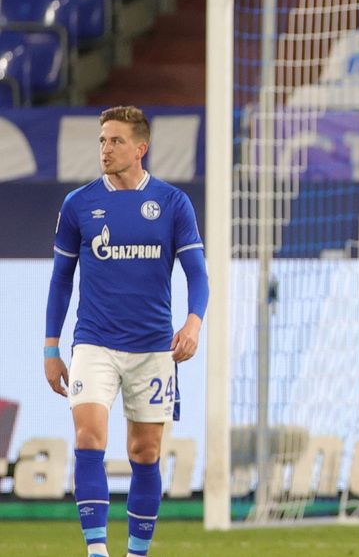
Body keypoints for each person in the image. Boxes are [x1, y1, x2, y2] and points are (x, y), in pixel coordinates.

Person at [44, 106, 209, 557]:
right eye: (101, 141)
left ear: (141, 147)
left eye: (115, 141)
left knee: (144, 452)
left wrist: (194, 322)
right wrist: (50, 346)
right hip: (93, 343)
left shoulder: (173, 204)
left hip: (154, 349)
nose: (105, 149)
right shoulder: (78, 204)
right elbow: (61, 280)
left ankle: (137, 552)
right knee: (89, 437)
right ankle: (97, 550)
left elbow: (198, 273)